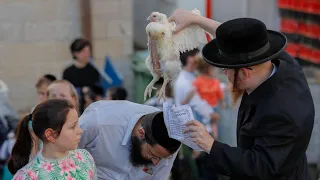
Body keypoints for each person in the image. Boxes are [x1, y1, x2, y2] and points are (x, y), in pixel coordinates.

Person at [169, 9, 315, 179]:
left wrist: (210, 145)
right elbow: (236, 38)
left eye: (226, 69)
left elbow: (261, 166)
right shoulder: (283, 64)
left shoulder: (280, 113)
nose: (224, 74)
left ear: (245, 73)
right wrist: (195, 20)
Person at [78, 100, 181, 179]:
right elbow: (64, 155)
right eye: (153, 155)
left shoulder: (170, 141)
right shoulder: (98, 121)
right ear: (141, 133)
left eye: (162, 158)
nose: (156, 163)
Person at [8, 99, 96, 179]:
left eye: (78, 124)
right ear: (50, 135)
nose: (80, 131)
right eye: (73, 126)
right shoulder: (28, 176)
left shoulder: (85, 158)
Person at [62, 38, 100, 112]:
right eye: (83, 51)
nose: (87, 54)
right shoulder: (68, 72)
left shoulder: (93, 71)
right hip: (73, 107)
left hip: (90, 108)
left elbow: (98, 91)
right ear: (75, 53)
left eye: (88, 51)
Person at [193, 58, 225, 139]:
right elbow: (220, 94)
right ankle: (213, 140)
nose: (214, 70)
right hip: (204, 109)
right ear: (207, 69)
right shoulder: (200, 81)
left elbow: (219, 93)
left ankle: (213, 140)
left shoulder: (200, 81)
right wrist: (222, 102)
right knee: (209, 126)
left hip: (211, 107)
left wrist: (222, 101)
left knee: (211, 126)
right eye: (213, 68)